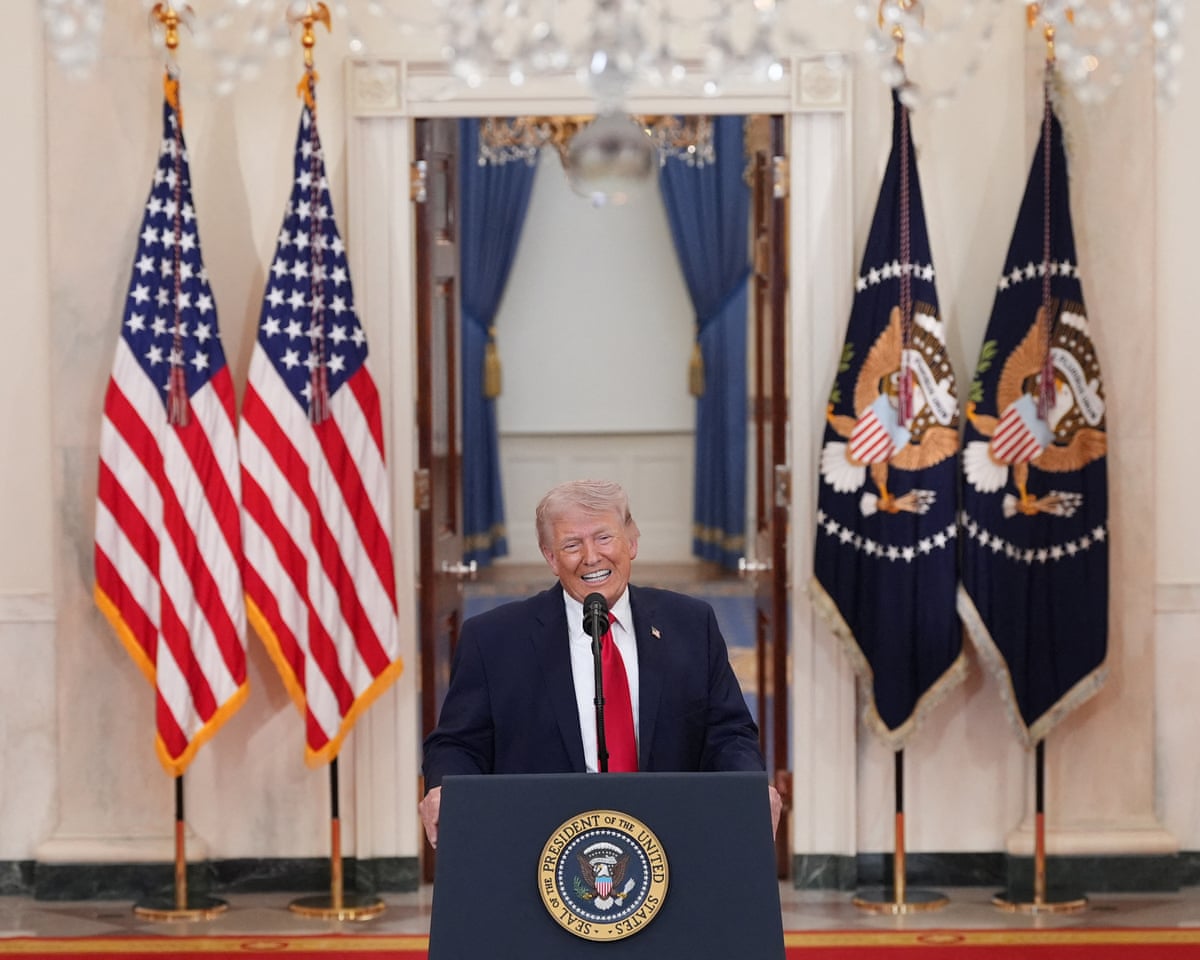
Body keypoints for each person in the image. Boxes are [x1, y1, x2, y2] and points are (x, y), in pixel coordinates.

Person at [419, 479, 783, 848]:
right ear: (550, 556)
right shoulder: (494, 640)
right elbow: (456, 744)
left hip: (671, 841)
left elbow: (729, 732)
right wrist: (443, 789)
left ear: (632, 542)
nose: (591, 557)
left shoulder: (690, 625)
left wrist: (749, 784)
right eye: (572, 544)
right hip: (538, 847)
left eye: (604, 538)